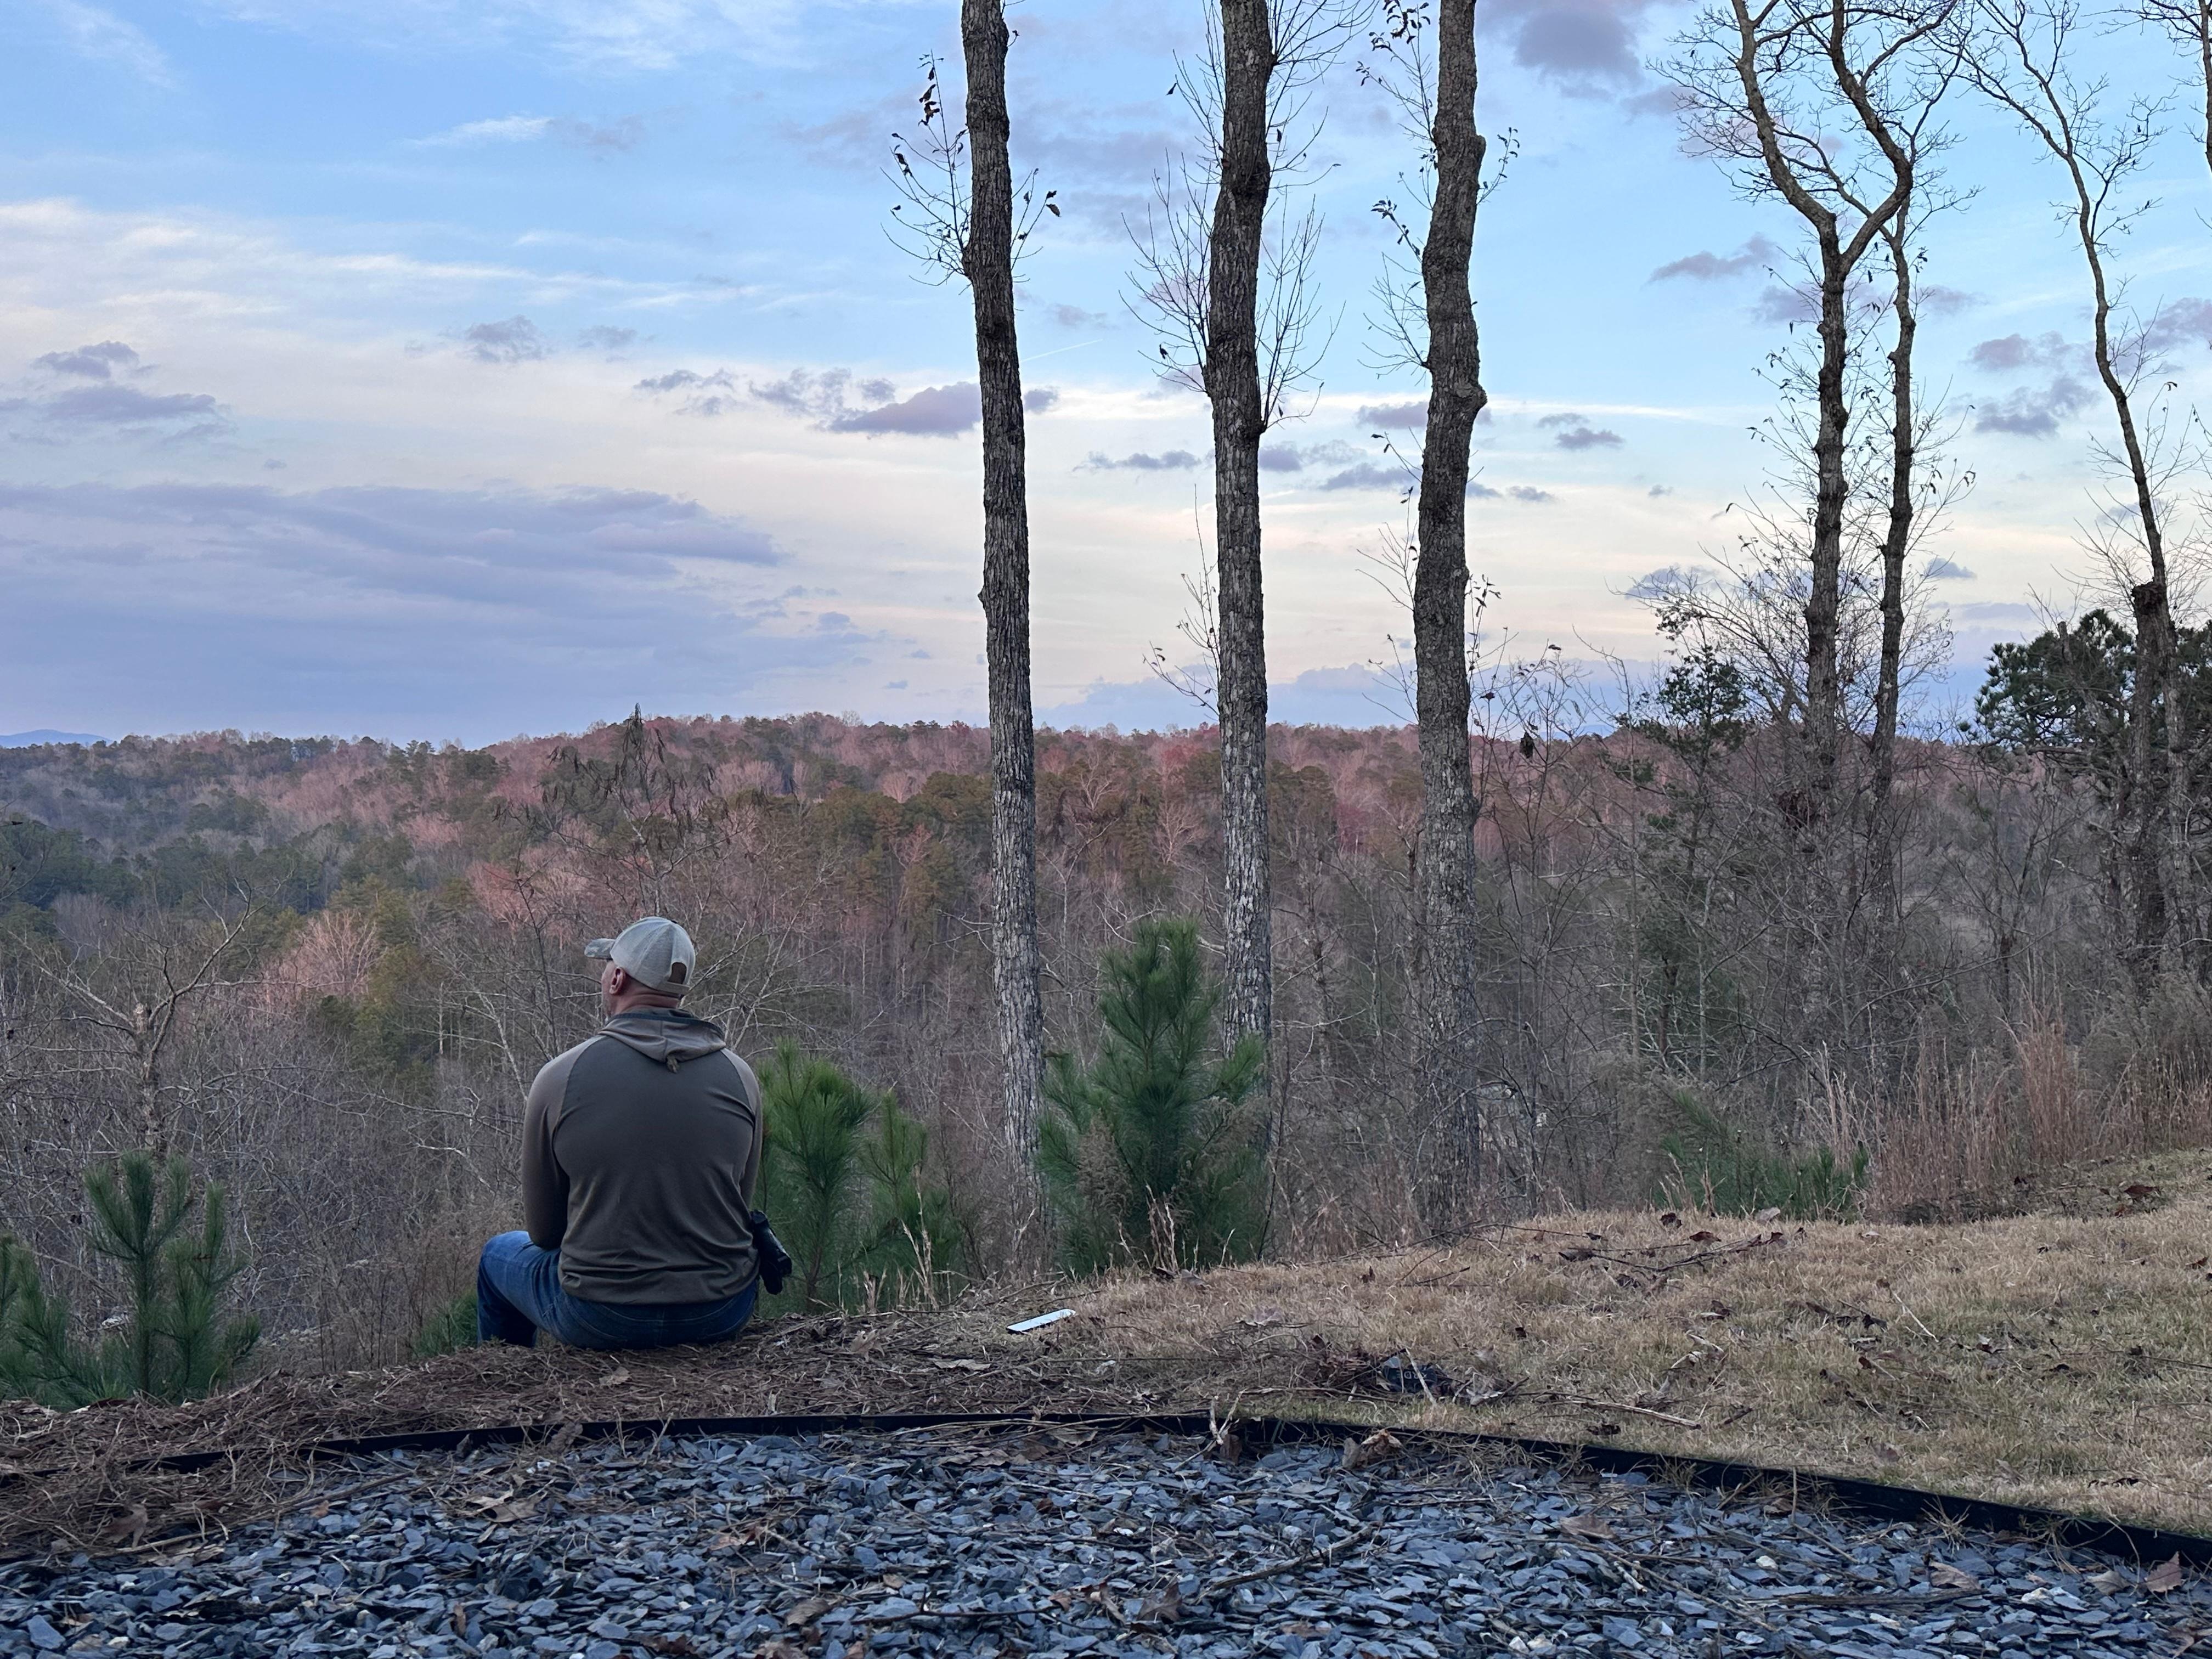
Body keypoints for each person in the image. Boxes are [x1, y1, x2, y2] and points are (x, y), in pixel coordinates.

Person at [476, 916, 764, 1349]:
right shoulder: (741, 1077)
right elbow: (737, 1208)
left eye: (607, 965)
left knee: (498, 1253)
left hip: (600, 1316)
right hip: (720, 1310)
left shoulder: (561, 1077)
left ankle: (511, 1388)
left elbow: (544, 1235)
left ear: (617, 979)